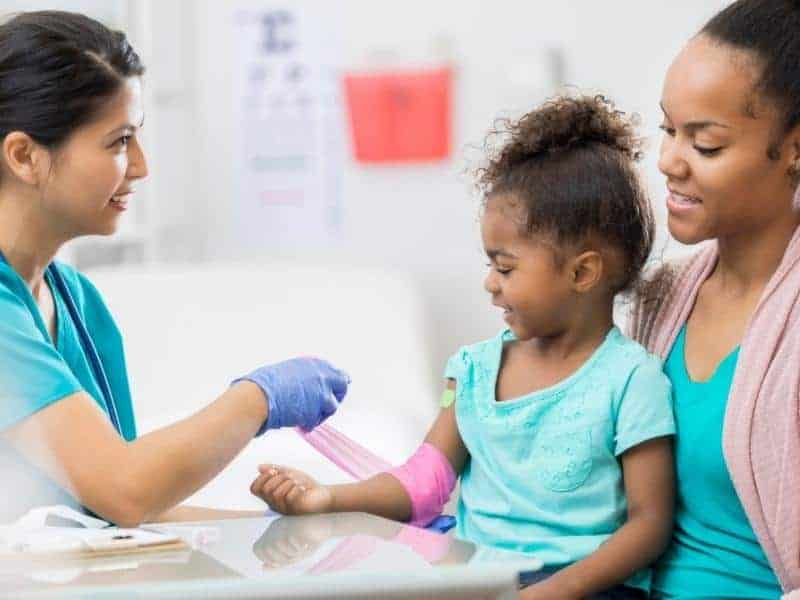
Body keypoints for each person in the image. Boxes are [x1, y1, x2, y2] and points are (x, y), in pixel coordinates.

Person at [251, 95, 676, 599]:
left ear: (582, 272)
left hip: (590, 589)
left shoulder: (632, 381)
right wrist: (325, 498)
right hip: (482, 582)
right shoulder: (473, 372)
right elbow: (424, 482)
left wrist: (558, 591)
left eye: (506, 268)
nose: (490, 284)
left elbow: (649, 525)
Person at [0, 11, 349, 527]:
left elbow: (120, 510)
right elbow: (127, 490)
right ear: (25, 156)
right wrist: (258, 398)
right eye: (119, 141)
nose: (141, 166)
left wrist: (329, 528)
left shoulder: (78, 302)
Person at [628, 1, 800, 597]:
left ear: (795, 149)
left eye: (706, 145)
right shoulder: (660, 297)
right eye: (669, 130)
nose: (669, 161)